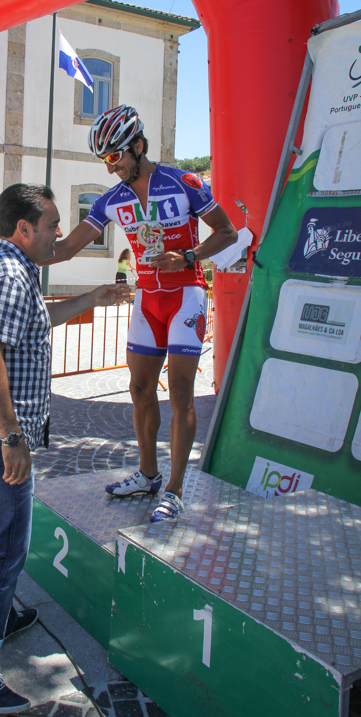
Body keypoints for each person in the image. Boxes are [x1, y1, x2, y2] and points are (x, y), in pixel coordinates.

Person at [0, 182, 130, 716]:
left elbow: (34, 324)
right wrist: (12, 437)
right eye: (52, 224)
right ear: (23, 229)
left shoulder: (13, 271)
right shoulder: (7, 274)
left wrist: (93, 298)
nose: (59, 235)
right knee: (4, 552)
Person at [48, 104, 237, 523]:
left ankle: (174, 489)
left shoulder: (183, 181)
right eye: (104, 160)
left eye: (116, 157)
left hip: (186, 294)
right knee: (138, 389)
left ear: (137, 145)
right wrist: (13, 249)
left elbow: (227, 232)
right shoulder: (110, 200)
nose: (111, 167)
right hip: (147, 301)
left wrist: (189, 254)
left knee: (182, 391)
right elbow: (64, 249)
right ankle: (149, 474)